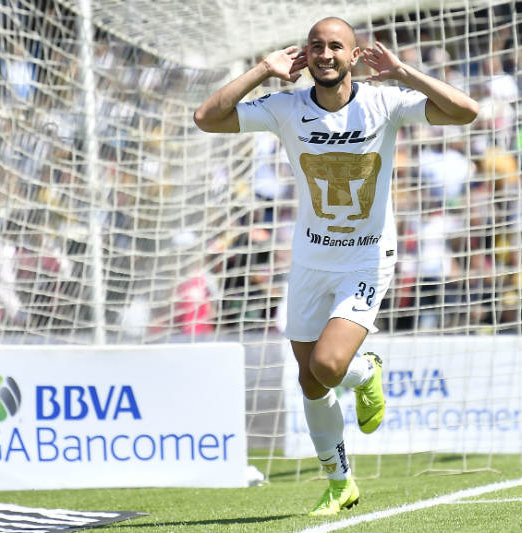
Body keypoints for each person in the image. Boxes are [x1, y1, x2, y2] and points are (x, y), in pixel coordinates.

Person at [194, 16, 478, 515]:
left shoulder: (382, 101)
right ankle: (340, 482)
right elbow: (206, 118)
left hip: (366, 259)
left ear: (352, 55)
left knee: (329, 366)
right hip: (309, 261)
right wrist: (263, 68)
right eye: (316, 47)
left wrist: (403, 72)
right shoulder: (285, 107)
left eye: (335, 47)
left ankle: (365, 371)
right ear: (305, 56)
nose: (325, 55)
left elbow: (466, 112)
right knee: (309, 381)